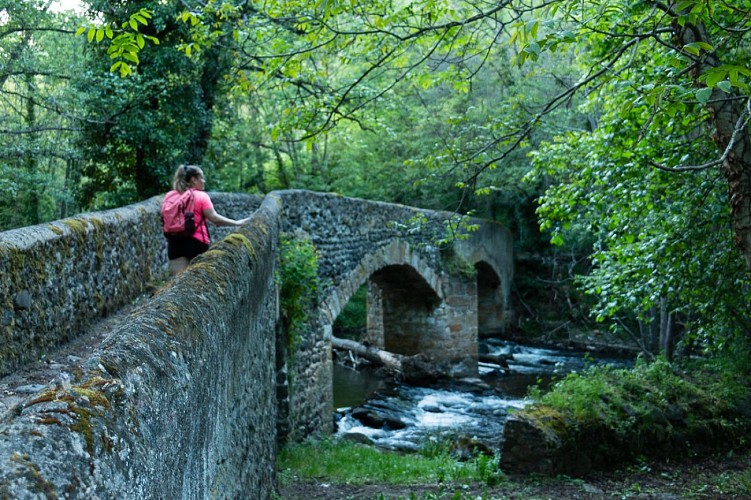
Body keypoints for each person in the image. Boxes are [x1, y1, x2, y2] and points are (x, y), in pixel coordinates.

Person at [162, 164, 250, 275]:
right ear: (194, 180)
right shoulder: (201, 196)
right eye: (202, 178)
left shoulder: (169, 195)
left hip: (174, 243)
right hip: (196, 244)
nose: (204, 181)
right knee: (198, 281)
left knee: (178, 283)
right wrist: (236, 223)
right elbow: (214, 218)